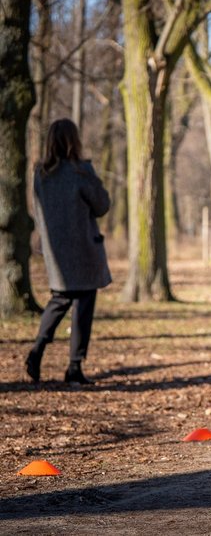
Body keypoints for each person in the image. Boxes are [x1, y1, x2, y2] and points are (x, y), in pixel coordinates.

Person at [26, 118, 111, 386]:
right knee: (83, 304)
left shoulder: (41, 174)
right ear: (74, 141)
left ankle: (38, 348)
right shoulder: (81, 172)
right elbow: (101, 206)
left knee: (59, 299)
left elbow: (39, 212)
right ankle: (74, 367)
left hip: (55, 251)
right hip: (84, 248)